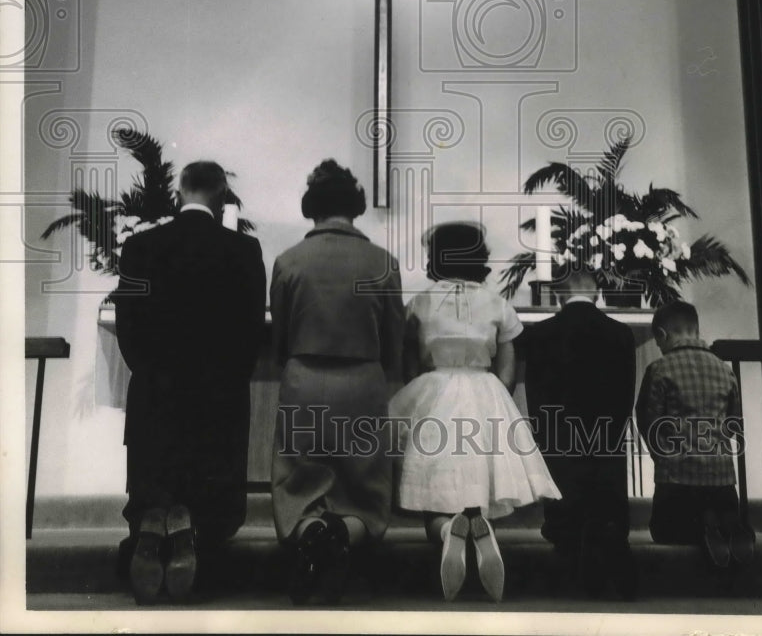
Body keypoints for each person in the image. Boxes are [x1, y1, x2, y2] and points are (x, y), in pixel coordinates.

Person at [113, 161, 267, 604]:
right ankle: (194, 532)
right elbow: (251, 329)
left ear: (180, 192)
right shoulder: (243, 250)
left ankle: (152, 520)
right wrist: (231, 382)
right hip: (217, 395)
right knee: (211, 479)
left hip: (156, 390)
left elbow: (127, 325)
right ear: (223, 199)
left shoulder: (140, 246)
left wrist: (148, 373)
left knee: (154, 468)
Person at [389, 222, 561, 603]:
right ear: (478, 257)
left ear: (436, 258)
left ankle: (447, 528)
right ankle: (478, 525)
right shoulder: (497, 303)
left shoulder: (420, 302)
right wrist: (493, 396)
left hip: (432, 390)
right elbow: (509, 368)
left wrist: (419, 395)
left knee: (432, 484)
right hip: (484, 389)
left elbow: (409, 364)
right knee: (480, 477)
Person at [269, 159, 405, 605]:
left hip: (304, 378)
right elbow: (393, 339)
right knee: (365, 486)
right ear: (357, 207)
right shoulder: (382, 262)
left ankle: (310, 533)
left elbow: (281, 337)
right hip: (363, 380)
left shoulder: (289, 260)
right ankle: (343, 535)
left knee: (299, 480)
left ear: (312, 207)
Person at [523, 265, 637, 598]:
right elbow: (625, 391)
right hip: (606, 432)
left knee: (565, 494)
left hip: (559, 431)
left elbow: (536, 391)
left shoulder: (541, 333)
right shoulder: (621, 333)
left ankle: (569, 556)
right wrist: (615, 429)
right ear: (598, 293)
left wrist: (542, 432)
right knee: (606, 495)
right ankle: (611, 552)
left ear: (558, 295)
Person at [635, 300, 754, 567]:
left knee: (663, 531)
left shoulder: (659, 369)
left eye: (658, 343)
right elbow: (734, 424)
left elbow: (648, 421)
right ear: (696, 329)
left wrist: (662, 458)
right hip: (722, 481)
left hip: (678, 482)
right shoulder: (725, 370)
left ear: (663, 335)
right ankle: (727, 523)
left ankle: (701, 527)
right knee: (718, 504)